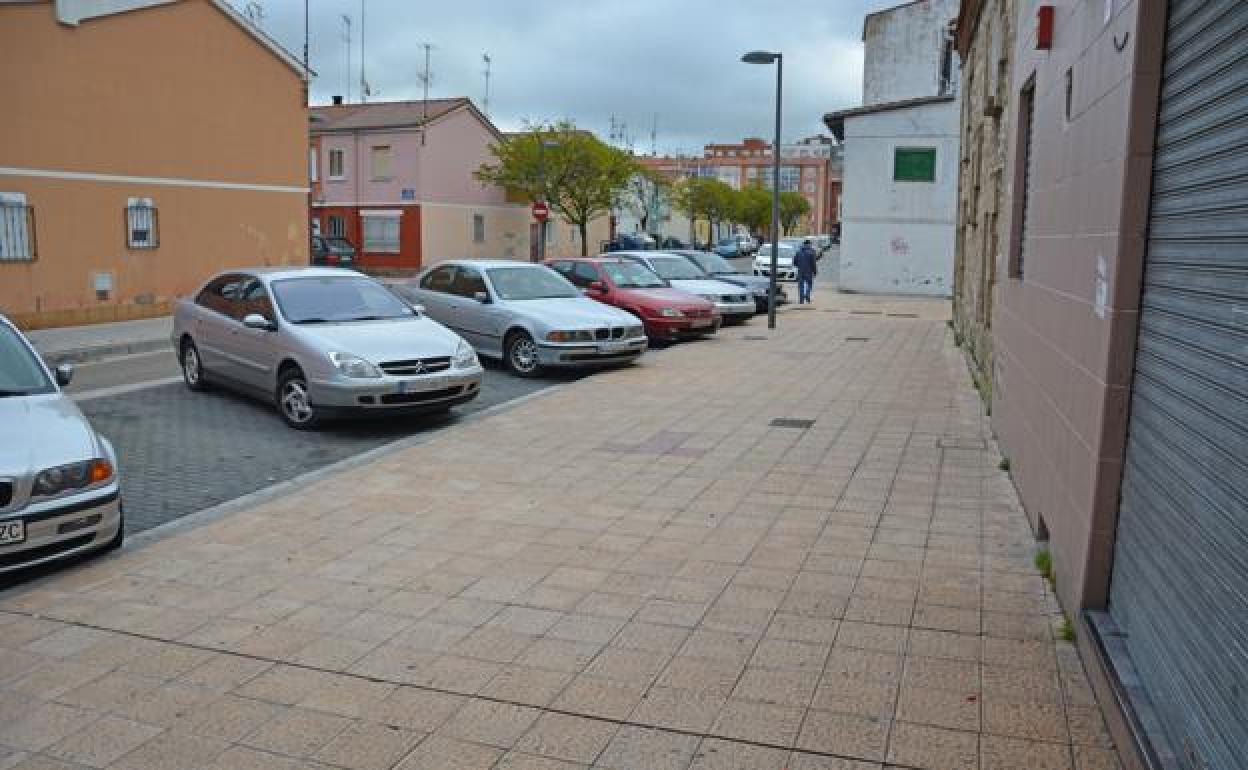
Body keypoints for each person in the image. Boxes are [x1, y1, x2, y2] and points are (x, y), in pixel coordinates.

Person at [794, 238, 818, 304]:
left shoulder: (798, 252)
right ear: (809, 244)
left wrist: (799, 266)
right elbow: (813, 263)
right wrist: (815, 271)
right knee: (809, 284)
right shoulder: (812, 252)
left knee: (801, 285)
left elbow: (795, 262)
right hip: (809, 271)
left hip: (800, 271)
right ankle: (807, 294)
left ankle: (801, 299)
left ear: (803, 244)